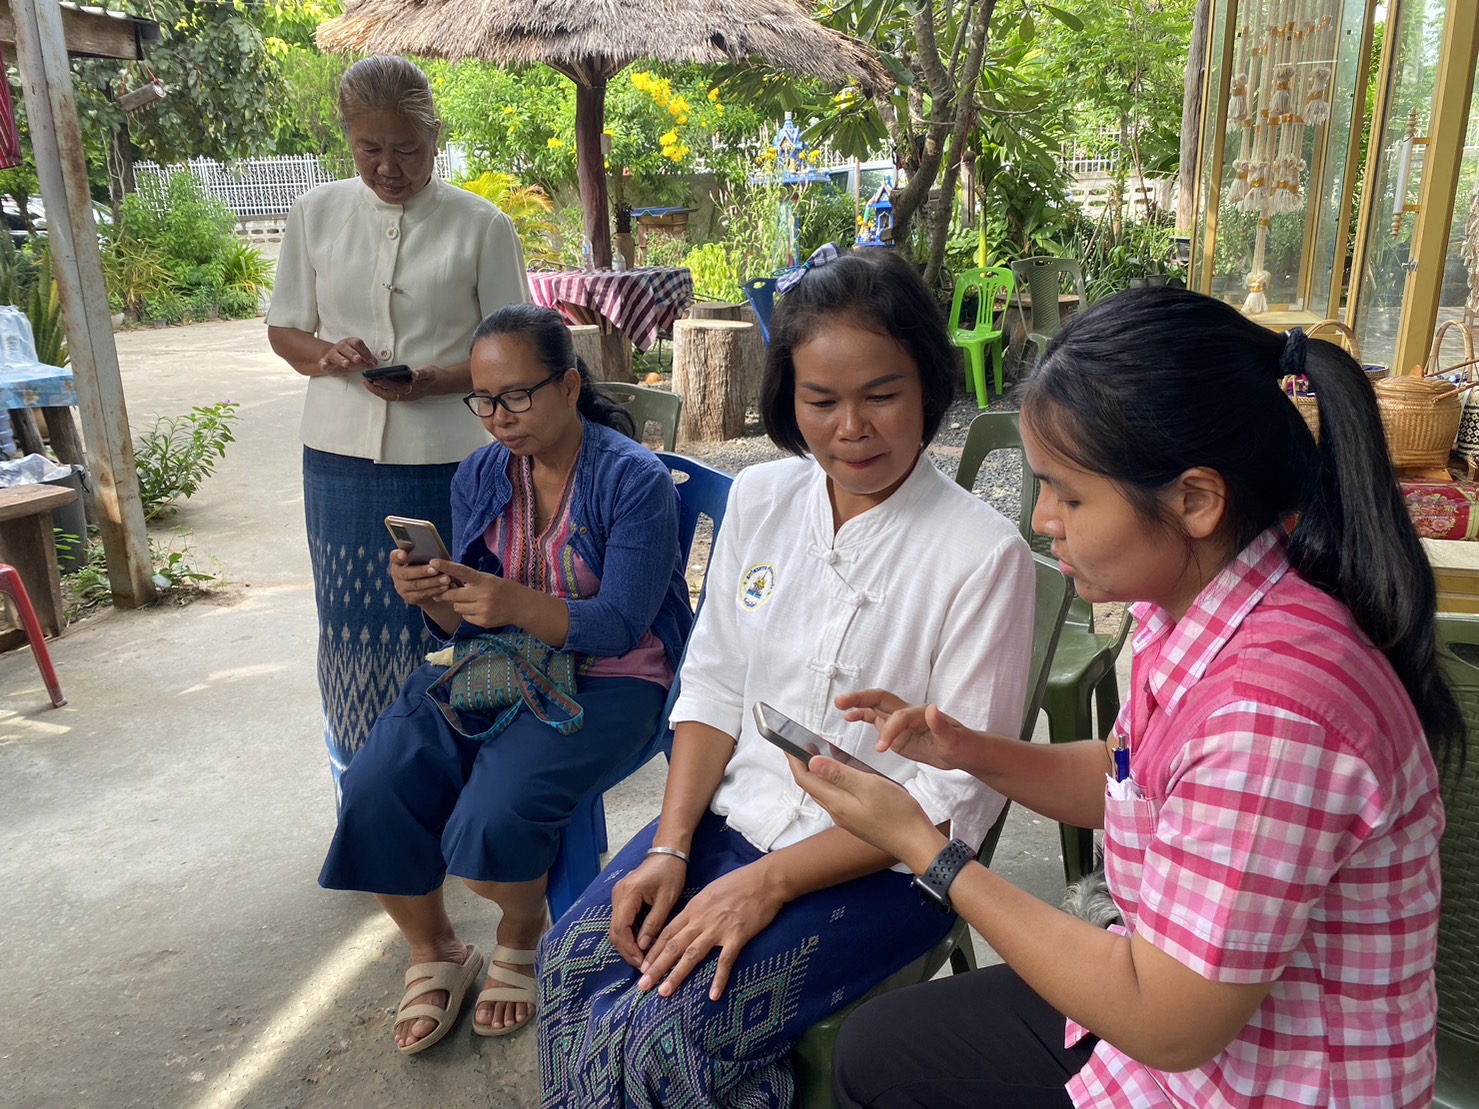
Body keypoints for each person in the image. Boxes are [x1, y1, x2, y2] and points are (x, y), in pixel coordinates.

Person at [793, 287, 1467, 1109]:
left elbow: (1167, 1021)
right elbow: (1133, 783)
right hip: (1170, 1032)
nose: (1042, 520)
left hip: (1258, 1081)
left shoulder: (1274, 710)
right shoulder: (1188, 597)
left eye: (1068, 495)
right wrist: (966, 749)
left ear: (1192, 499)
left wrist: (923, 846)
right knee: (879, 1049)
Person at [537, 249, 1036, 1106]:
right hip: (733, 822)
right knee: (569, 965)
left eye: (882, 394)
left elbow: (955, 800)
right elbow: (715, 684)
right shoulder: (762, 498)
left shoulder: (982, 554)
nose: (853, 428)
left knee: (662, 1031)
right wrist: (670, 845)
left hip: (882, 868)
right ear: (788, 399)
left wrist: (767, 883)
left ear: (927, 387)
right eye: (821, 400)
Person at [319, 304, 694, 1055]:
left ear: (567, 385)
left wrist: (515, 603)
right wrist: (435, 598)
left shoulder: (633, 480)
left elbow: (622, 622)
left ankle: (521, 930)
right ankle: (436, 951)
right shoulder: (482, 472)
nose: (498, 417)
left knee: (493, 815)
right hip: (498, 660)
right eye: (484, 400)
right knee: (376, 782)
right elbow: (470, 619)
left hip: (614, 677)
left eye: (517, 396)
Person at [265, 54, 530, 794]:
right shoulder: (314, 212)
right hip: (339, 460)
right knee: (351, 628)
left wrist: (437, 379)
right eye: (369, 148)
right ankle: (364, 789)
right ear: (347, 140)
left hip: (457, 457)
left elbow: (514, 348)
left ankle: (465, 789)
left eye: (406, 148)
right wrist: (328, 353)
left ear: (435, 136)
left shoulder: (482, 224)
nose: (388, 166)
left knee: (455, 615)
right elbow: (285, 329)